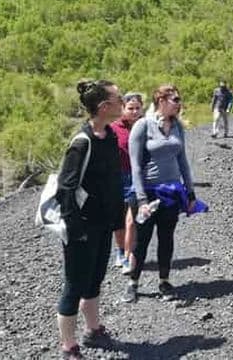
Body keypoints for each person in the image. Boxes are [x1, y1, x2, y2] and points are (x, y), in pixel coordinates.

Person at [56, 79, 125, 359]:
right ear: (104, 106)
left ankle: (93, 330)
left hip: (102, 224)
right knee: (74, 285)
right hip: (81, 228)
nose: (122, 103)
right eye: (118, 99)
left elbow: (113, 184)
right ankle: (69, 346)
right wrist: (75, 230)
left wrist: (117, 222)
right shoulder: (81, 143)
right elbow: (66, 189)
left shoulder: (109, 137)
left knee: (95, 279)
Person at [123, 85, 196, 303]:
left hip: (171, 192)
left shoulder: (177, 127)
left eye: (178, 98)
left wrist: (190, 192)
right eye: (175, 99)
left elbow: (183, 161)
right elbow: (135, 166)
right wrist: (142, 199)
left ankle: (164, 280)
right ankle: (132, 283)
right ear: (161, 100)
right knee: (142, 240)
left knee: (167, 238)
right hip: (147, 193)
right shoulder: (143, 126)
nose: (178, 102)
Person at [109, 92, 144, 274]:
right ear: (122, 108)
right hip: (118, 177)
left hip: (138, 178)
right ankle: (120, 250)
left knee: (132, 220)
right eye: (130, 108)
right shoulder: (113, 128)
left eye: (138, 108)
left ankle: (130, 254)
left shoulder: (145, 126)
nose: (134, 111)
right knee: (119, 219)